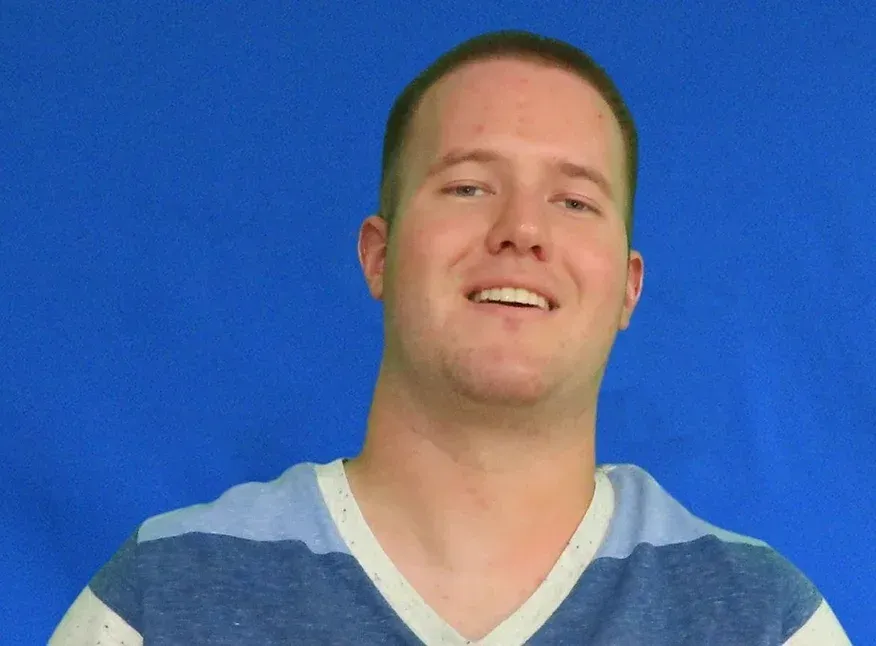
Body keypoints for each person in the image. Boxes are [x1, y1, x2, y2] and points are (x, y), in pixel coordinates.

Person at [50, 30, 850, 645]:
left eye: (574, 202)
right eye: (469, 186)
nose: (522, 230)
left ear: (628, 288)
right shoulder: (161, 602)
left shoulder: (761, 622)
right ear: (380, 254)